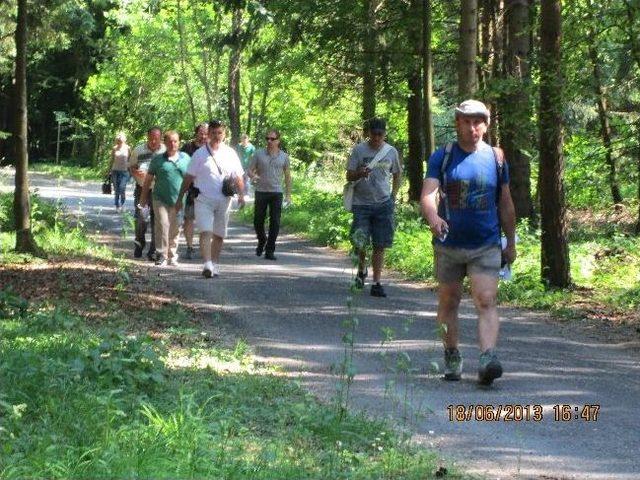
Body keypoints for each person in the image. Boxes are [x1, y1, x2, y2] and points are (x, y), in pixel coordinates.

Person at [420, 99, 517, 386]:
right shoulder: (443, 156)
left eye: (478, 122)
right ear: (457, 123)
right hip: (449, 244)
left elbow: (506, 203)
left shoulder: (496, 158)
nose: (472, 127)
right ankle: (452, 354)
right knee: (449, 300)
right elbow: (427, 195)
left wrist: (510, 242)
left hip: (485, 243)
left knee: (486, 299)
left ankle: (487, 358)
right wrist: (433, 218)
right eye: (466, 121)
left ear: (486, 126)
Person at [176, 120, 245, 278]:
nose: (216, 136)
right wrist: (180, 197)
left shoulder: (230, 153)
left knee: (219, 234)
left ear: (224, 134)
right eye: (213, 133)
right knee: (206, 231)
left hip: (224, 199)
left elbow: (239, 176)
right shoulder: (199, 154)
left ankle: (214, 263)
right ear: (208, 134)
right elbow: (188, 177)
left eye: (219, 133)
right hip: (203, 198)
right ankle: (207, 264)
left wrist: (241, 195)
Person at [346, 118, 402, 298]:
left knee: (380, 243)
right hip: (361, 203)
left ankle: (377, 282)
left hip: (383, 204)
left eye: (380, 133)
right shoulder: (359, 150)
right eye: (374, 133)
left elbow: (397, 174)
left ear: (384, 133)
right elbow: (349, 175)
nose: (377, 137)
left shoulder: (391, 151)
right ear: (368, 133)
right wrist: (359, 173)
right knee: (360, 241)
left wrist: (393, 196)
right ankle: (361, 271)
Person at [139, 130, 190, 266]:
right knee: (162, 224)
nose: (173, 144)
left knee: (175, 228)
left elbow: (192, 178)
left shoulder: (186, 159)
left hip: (179, 199)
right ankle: (161, 254)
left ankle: (172, 255)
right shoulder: (158, 160)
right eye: (170, 141)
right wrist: (143, 201)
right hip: (159, 198)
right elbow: (148, 181)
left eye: (175, 141)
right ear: (165, 143)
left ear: (179, 143)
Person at [247, 129, 292, 260]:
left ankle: (270, 250)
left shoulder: (284, 156)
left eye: (272, 139)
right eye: (267, 138)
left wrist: (289, 194)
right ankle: (262, 239)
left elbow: (288, 176)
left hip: (276, 192)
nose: (269, 141)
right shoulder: (258, 154)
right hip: (261, 191)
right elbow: (249, 170)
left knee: (275, 222)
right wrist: (253, 175)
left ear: (278, 140)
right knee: (258, 221)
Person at [129, 126, 166, 260]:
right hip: (141, 189)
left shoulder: (165, 151)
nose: (153, 141)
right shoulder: (138, 150)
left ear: (161, 138)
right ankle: (139, 243)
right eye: (151, 138)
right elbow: (131, 167)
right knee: (141, 218)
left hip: (159, 190)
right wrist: (135, 172)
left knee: (157, 220)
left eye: (156, 138)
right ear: (147, 137)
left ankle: (154, 250)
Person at [181, 122, 208, 259]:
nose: (203, 136)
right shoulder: (188, 147)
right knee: (189, 218)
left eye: (206, 133)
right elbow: (180, 164)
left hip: (209, 189)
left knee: (207, 220)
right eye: (201, 133)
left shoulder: (212, 148)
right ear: (196, 133)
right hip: (192, 189)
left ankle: (206, 246)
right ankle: (190, 246)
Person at [110, 133, 130, 213]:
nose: (119, 142)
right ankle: (117, 206)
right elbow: (111, 160)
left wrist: (132, 168)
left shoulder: (128, 148)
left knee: (122, 188)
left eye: (121, 141)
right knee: (116, 190)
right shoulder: (114, 148)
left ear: (124, 141)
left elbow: (131, 159)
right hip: (115, 171)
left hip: (125, 172)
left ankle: (123, 204)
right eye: (118, 141)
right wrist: (108, 171)